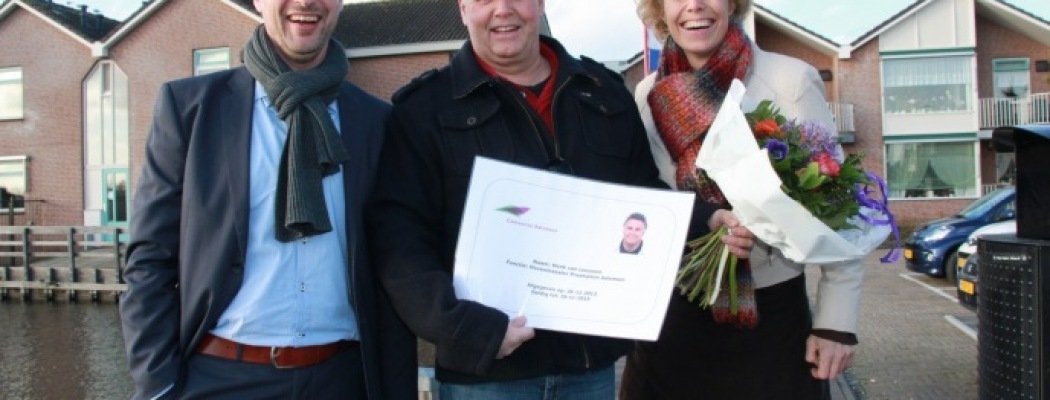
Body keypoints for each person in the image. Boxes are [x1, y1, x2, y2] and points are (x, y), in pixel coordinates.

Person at [366, 0, 752, 398]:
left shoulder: (603, 93)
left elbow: (639, 196)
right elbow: (399, 241)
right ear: (463, 9)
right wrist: (464, 328)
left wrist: (705, 219)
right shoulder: (423, 111)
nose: (502, 10)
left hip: (589, 372)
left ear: (539, 4)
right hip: (487, 378)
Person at [118, 0, 415, 398]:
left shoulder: (377, 121)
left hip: (343, 379)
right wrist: (158, 385)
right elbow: (149, 258)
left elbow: (395, 258)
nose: (306, 3)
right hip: (219, 379)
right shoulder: (189, 109)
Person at [620, 0, 864, 399]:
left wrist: (835, 323)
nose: (694, 6)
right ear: (659, 9)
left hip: (769, 321)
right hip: (671, 319)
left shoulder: (790, 80)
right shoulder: (648, 93)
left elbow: (839, 206)